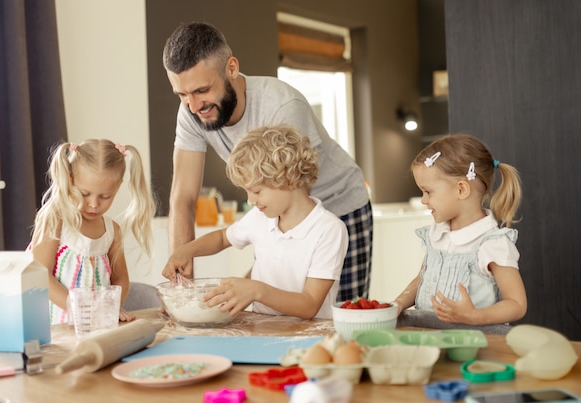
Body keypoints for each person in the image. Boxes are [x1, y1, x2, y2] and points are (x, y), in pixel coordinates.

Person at [162, 22, 371, 302]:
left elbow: (294, 192)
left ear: (231, 68)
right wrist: (181, 289)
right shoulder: (190, 111)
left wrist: (254, 282)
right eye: (182, 94)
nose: (193, 105)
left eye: (202, 90)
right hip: (279, 210)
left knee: (341, 317)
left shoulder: (282, 107)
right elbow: (182, 198)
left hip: (339, 207)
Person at [161, 125, 348, 320]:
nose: (250, 200)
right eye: (247, 191)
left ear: (289, 180)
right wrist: (186, 251)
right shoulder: (260, 218)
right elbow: (221, 238)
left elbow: (309, 304)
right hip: (264, 328)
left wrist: (257, 291)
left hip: (309, 337)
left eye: (257, 191)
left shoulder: (328, 230)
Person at [394, 134, 527, 326]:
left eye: (428, 191)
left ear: (461, 189)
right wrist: (398, 303)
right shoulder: (437, 234)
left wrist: (475, 316)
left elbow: (517, 304)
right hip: (431, 338)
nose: (423, 200)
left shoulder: (492, 244)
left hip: (476, 345)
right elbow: (422, 278)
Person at [30, 139, 155, 324]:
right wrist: (79, 309)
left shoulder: (112, 231)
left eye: (105, 196)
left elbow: (121, 279)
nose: (94, 204)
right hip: (56, 328)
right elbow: (39, 275)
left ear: (118, 186)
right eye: (85, 193)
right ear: (70, 179)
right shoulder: (55, 219)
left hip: (97, 326)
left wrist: (111, 308)